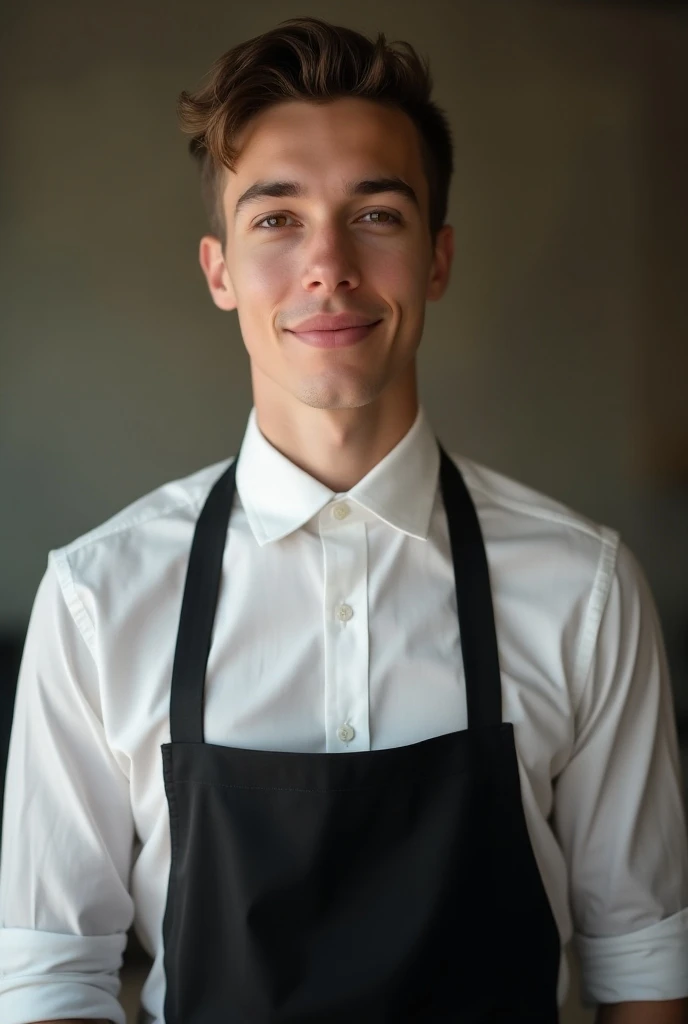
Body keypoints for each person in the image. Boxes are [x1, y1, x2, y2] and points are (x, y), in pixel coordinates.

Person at [0, 14, 687, 1024]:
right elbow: (52, 975)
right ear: (219, 270)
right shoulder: (99, 597)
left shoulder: (583, 588)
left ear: (437, 259)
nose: (328, 264)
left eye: (376, 215)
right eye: (277, 220)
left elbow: (645, 969)